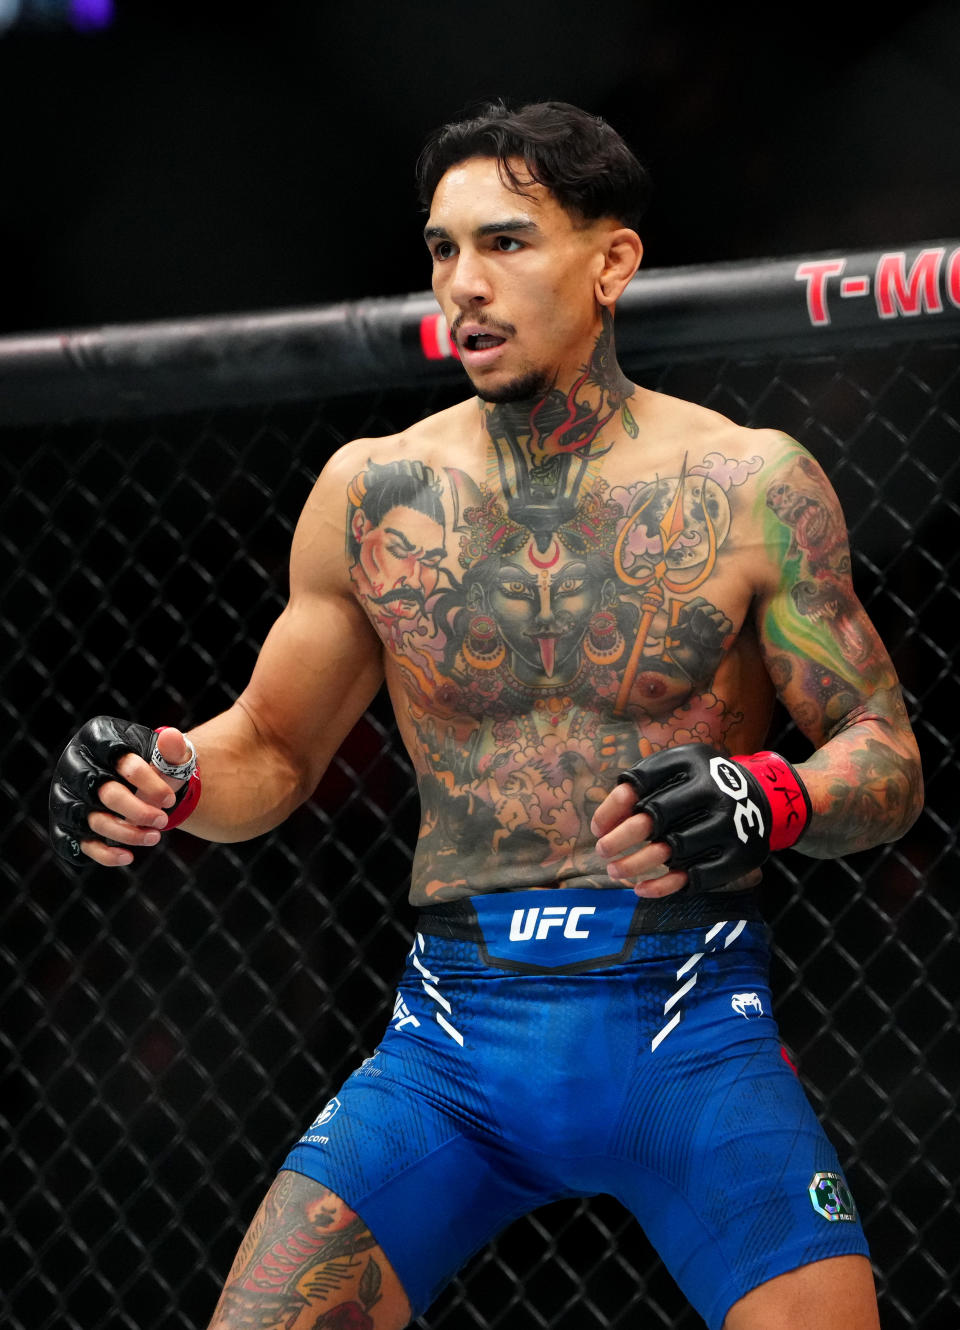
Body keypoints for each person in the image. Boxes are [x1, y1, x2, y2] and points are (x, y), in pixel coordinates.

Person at [49, 100, 923, 1330]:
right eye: (443, 249)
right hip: (453, 1044)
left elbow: (885, 760)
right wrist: (171, 775)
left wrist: (767, 796)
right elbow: (272, 749)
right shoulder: (373, 492)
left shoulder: (749, 484)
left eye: (506, 243)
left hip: (692, 1033)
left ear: (611, 262)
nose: (464, 283)